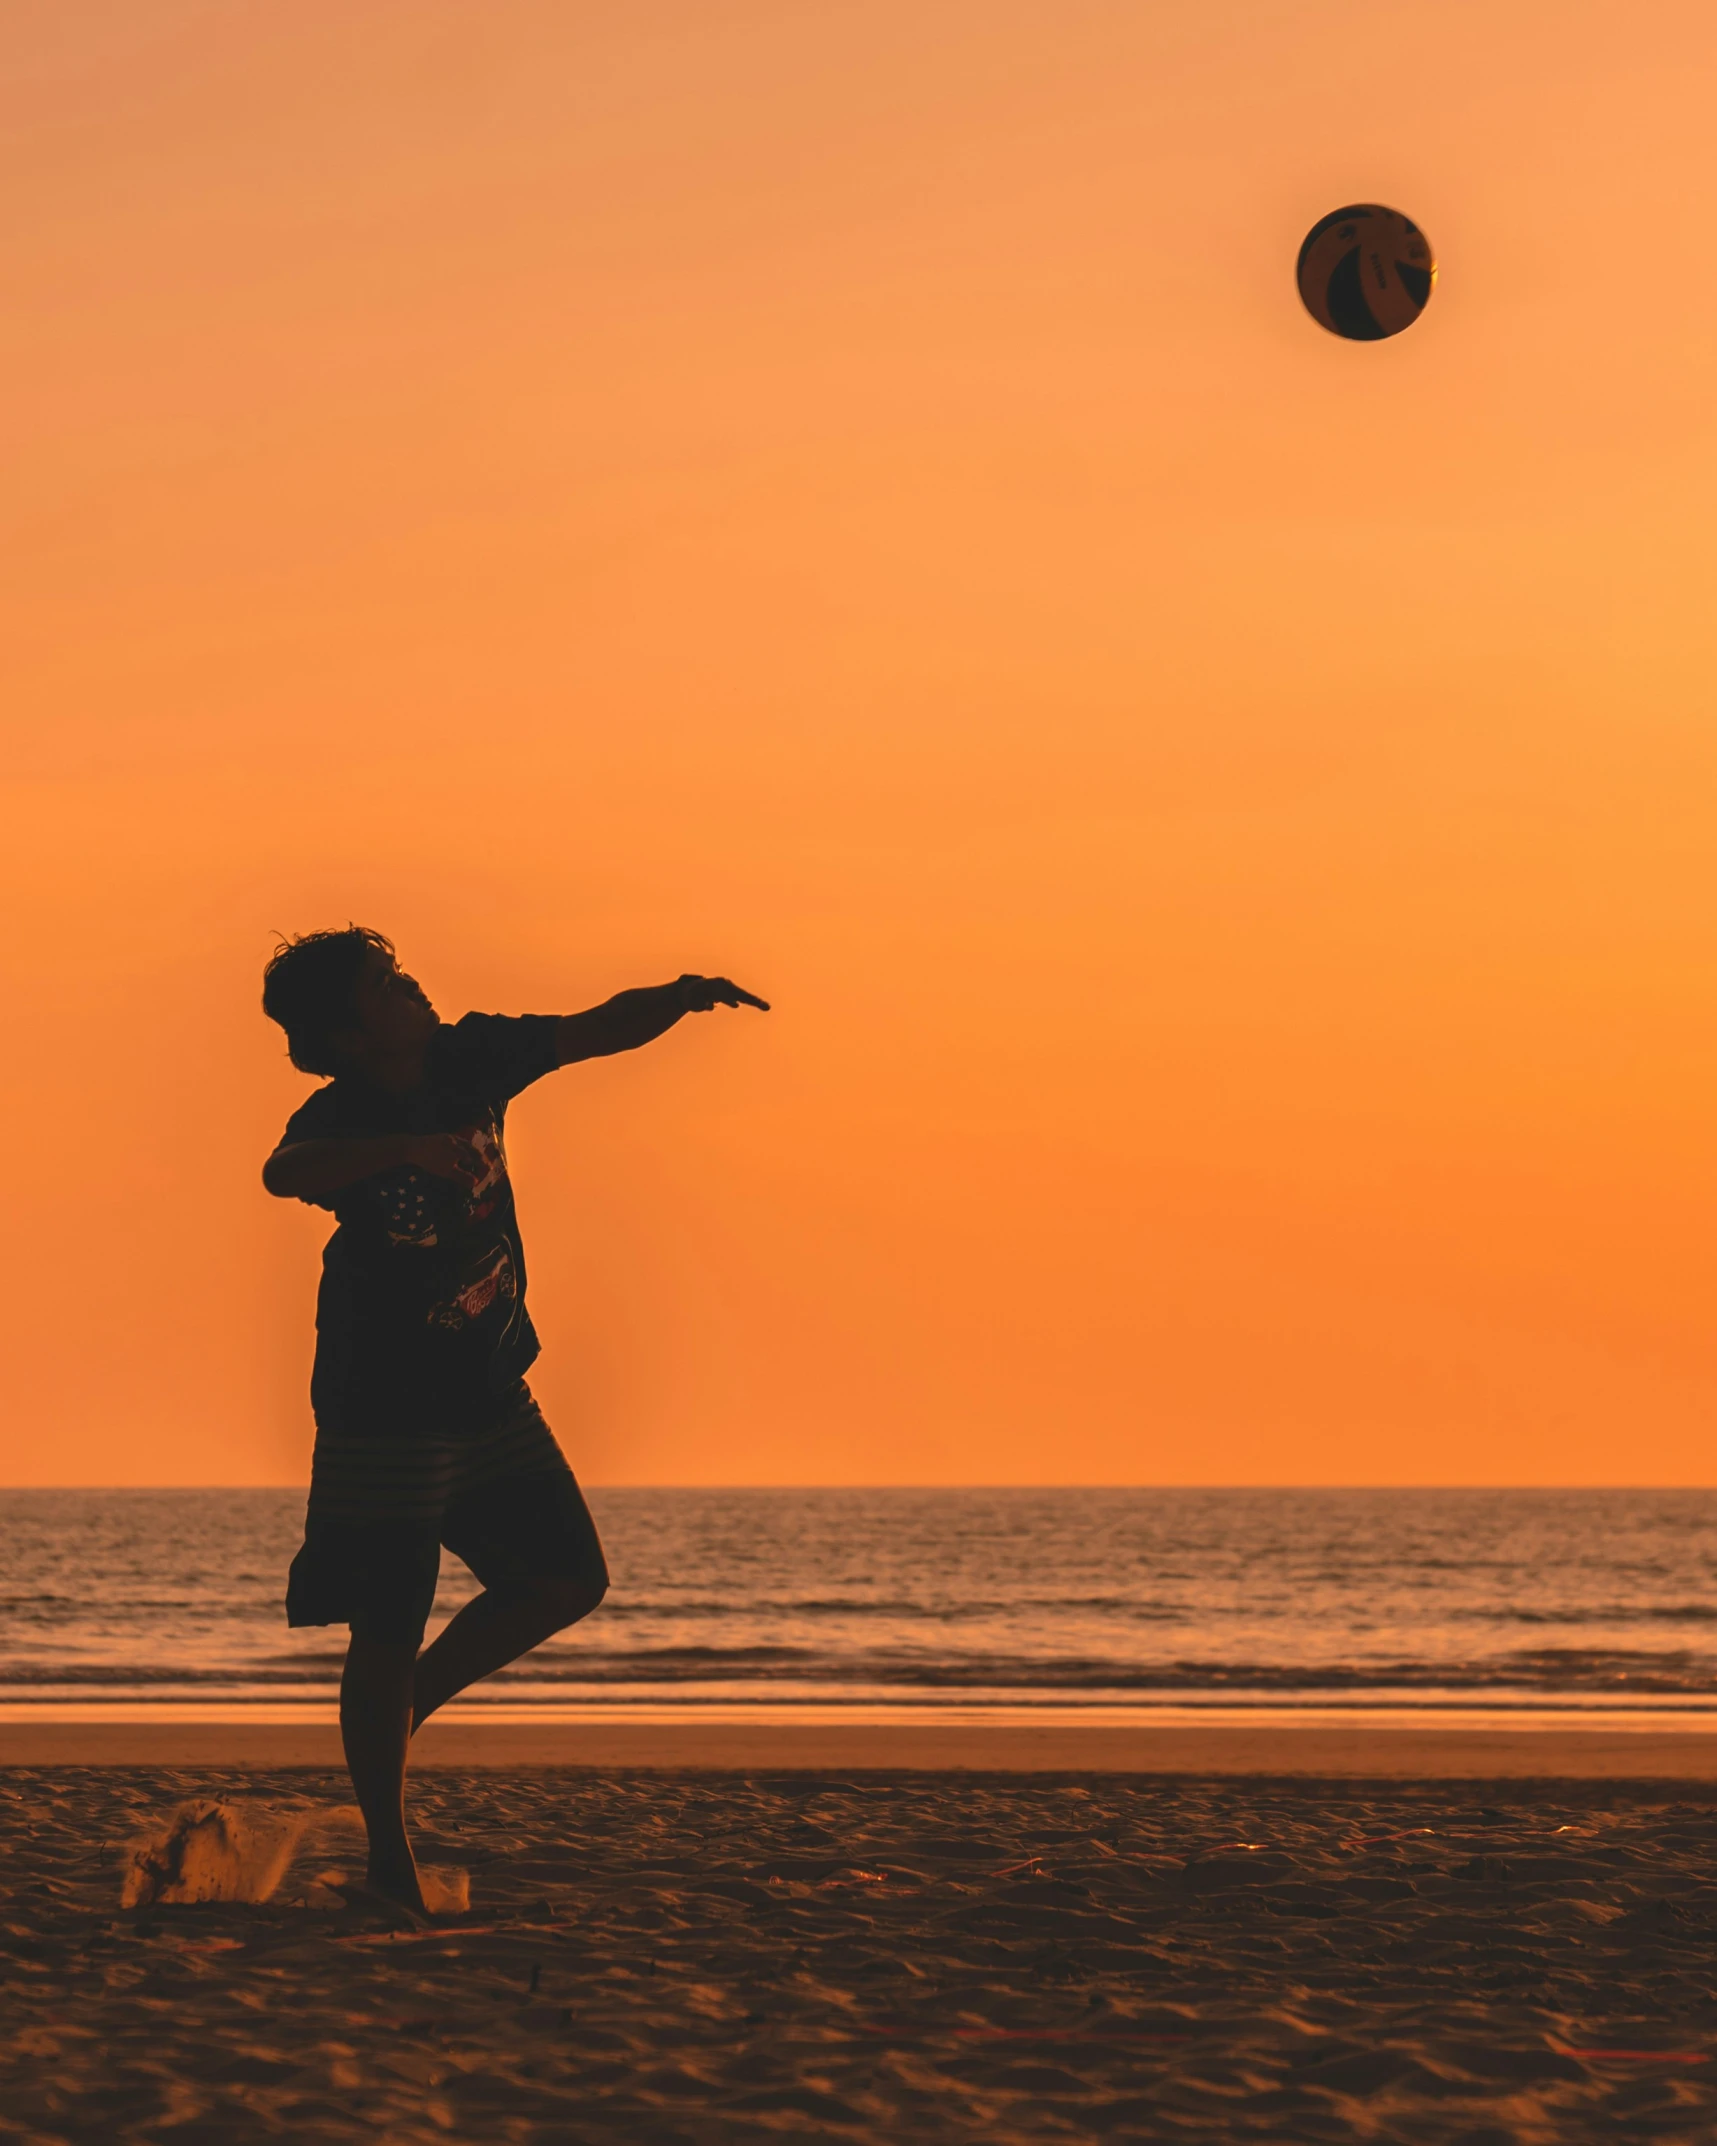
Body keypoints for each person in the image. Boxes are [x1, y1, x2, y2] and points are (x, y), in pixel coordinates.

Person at [260, 927, 768, 1912]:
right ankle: (388, 1864)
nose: (413, 985)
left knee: (567, 1575)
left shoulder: (470, 1054)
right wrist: (404, 1149)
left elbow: (589, 1031)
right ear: (350, 1031)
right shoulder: (339, 1112)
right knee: (385, 1625)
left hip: (488, 1383)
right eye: (387, 983)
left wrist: (679, 991)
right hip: (385, 1405)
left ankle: (412, 1701)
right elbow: (286, 1172)